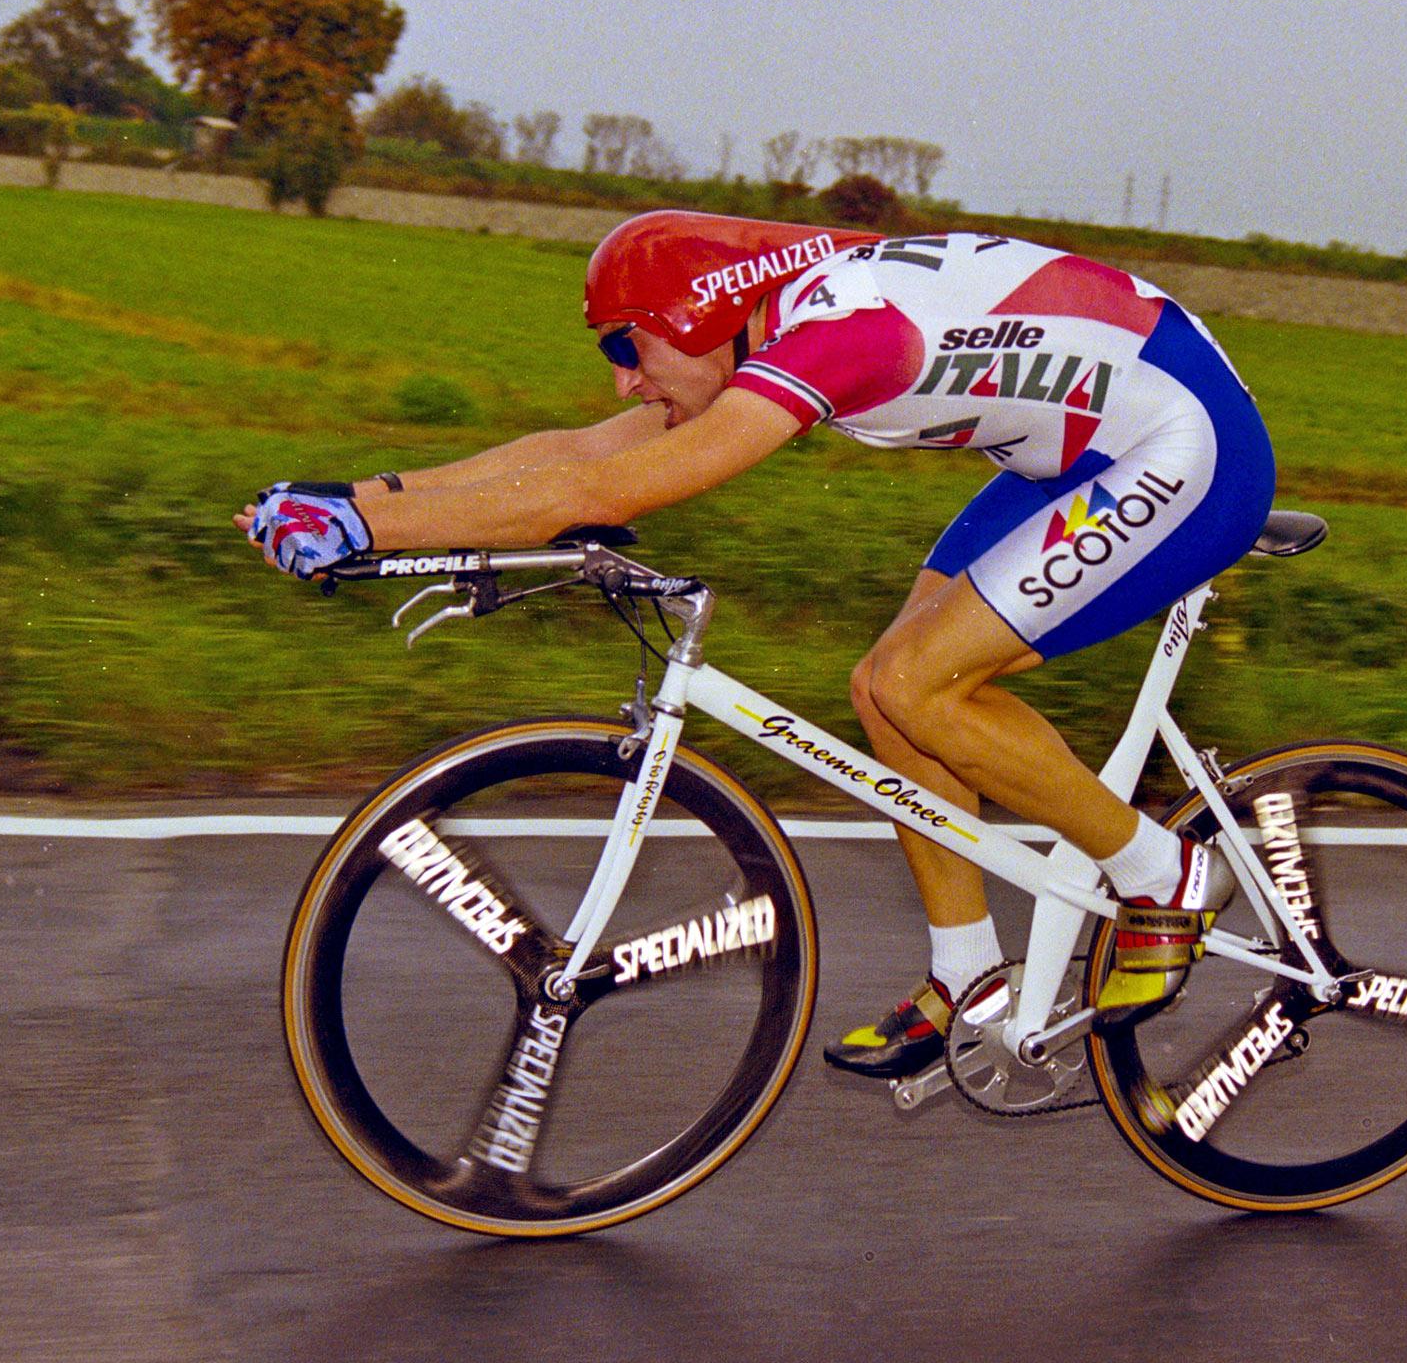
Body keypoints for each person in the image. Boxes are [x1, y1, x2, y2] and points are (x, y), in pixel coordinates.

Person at [239, 211, 1276, 1077]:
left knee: (919, 684)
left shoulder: (837, 337)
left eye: (626, 348)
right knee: (883, 689)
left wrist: (369, 527)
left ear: (698, 317)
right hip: (1076, 447)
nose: (622, 382)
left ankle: (1165, 875)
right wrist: (362, 496)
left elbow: (601, 490)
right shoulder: (776, 319)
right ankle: (969, 977)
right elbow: (576, 452)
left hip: (1183, 442)